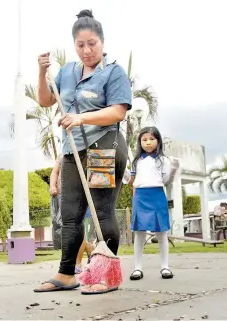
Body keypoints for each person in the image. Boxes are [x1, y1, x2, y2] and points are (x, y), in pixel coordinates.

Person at [33, 9, 131, 295]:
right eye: (81, 45)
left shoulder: (113, 72)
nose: (87, 51)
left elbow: (118, 112)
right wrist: (41, 72)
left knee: (101, 211)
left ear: (102, 42)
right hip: (72, 151)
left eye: (92, 44)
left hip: (104, 145)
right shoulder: (66, 72)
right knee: (70, 214)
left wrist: (81, 118)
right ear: (74, 45)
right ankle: (66, 274)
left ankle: (106, 275)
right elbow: (45, 100)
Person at [128, 127, 178, 281]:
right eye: (144, 139)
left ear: (158, 141)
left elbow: (165, 181)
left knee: (161, 233)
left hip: (157, 195)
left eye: (152, 139)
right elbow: (132, 181)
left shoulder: (163, 160)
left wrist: (174, 169)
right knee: (139, 233)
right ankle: (137, 268)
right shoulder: (137, 161)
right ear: (140, 142)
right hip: (140, 197)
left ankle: (165, 267)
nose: (148, 142)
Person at [49, 156, 95, 274]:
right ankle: (89, 248)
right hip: (63, 197)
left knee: (78, 231)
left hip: (80, 197)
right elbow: (55, 172)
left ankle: (77, 263)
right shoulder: (63, 157)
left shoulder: (86, 155)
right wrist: (53, 186)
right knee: (71, 231)